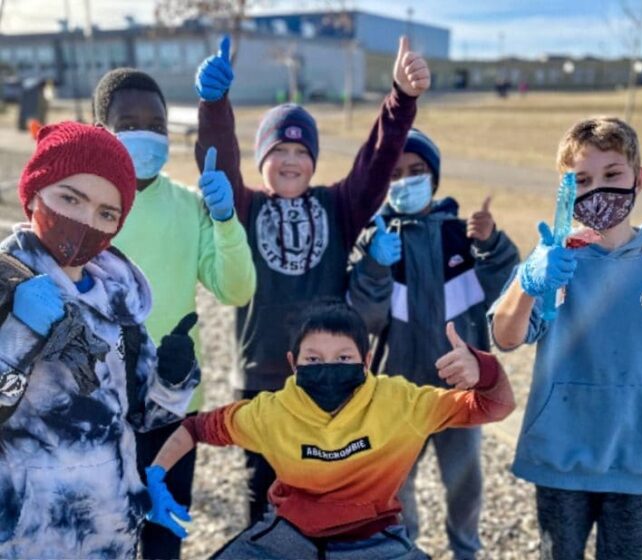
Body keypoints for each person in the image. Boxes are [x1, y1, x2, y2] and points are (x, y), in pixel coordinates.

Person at [193, 35, 430, 523]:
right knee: (265, 496)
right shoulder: (245, 205)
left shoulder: (338, 206)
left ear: (314, 162)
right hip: (261, 377)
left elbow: (377, 160)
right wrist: (214, 104)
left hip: (330, 375)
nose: (291, 161)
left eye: (302, 152)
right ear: (263, 160)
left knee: (332, 494)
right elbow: (219, 158)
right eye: (279, 150)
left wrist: (400, 100)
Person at [144, 300, 515, 559]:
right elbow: (194, 427)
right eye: (313, 359)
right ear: (294, 363)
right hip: (286, 539)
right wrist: (156, 476)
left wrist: (484, 370)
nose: (328, 366)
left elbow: (495, 406)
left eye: (343, 358)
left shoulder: (403, 403)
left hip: (377, 541)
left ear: (366, 361)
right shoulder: (270, 413)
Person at [489, 116, 642, 559]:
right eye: (582, 179)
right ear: (565, 188)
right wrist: (528, 281)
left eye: (612, 175)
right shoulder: (553, 255)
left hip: (640, 457)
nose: (597, 189)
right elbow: (506, 337)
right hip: (561, 453)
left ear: (638, 179)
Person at [0, 121, 200, 558]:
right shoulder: (4, 284)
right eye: (70, 198)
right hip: (29, 539)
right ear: (34, 192)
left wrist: (173, 376)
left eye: (106, 213)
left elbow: (144, 415)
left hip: (111, 533)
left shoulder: (119, 300)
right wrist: (19, 336)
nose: (85, 221)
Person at [92, 68, 256, 559]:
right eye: (129, 123)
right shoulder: (86, 207)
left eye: (158, 125)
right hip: (96, 404)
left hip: (174, 403)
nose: (146, 133)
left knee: (163, 539)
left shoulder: (191, 206)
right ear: (103, 131)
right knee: (101, 538)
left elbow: (237, 288)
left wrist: (225, 222)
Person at [348, 127, 519, 559]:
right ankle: (405, 551)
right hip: (398, 392)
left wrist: (494, 245)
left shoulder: (460, 237)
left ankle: (466, 550)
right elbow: (365, 319)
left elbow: (505, 293)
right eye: (396, 173)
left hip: (459, 393)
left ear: (434, 177)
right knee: (397, 485)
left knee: (465, 483)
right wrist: (372, 267)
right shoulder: (377, 241)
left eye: (417, 170)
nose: (406, 180)